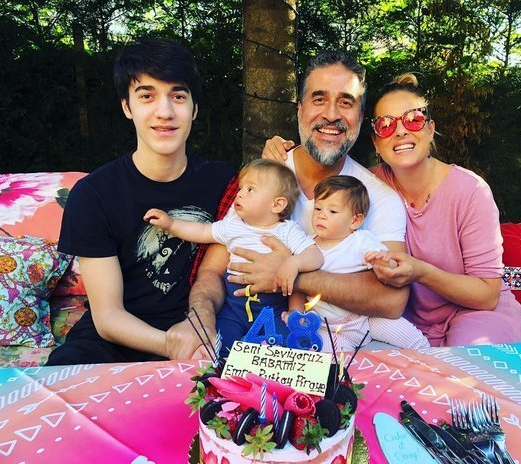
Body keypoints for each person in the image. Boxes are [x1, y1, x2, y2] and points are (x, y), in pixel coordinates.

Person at [170, 51, 410, 359]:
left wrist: (290, 275)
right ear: (300, 108)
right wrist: (201, 318)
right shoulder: (265, 178)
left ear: (361, 116)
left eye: (346, 102)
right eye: (319, 99)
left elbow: (392, 301)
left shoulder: (379, 198)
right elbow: (212, 272)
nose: (331, 114)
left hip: (338, 342)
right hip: (252, 332)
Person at [46, 39, 235, 365]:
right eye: (147, 96)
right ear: (127, 106)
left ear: (194, 108)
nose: (165, 112)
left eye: (178, 96)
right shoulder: (93, 194)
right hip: (116, 340)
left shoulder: (226, 183)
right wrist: (174, 346)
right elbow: (108, 316)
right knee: (59, 380)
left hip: (204, 331)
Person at [364, 73, 521, 346]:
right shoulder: (367, 184)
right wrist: (287, 156)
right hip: (403, 324)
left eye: (413, 119)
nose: (400, 131)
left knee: (466, 366)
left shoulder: (470, 190)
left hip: (477, 313)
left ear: (430, 129)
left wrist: (420, 272)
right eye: (386, 124)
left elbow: (487, 294)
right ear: (376, 142)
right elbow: (318, 185)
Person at [143, 158, 323, 353]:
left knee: (285, 348)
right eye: (240, 188)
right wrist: (171, 224)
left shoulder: (287, 231)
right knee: (218, 346)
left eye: (250, 189)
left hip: (272, 309)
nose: (240, 194)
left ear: (277, 204)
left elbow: (315, 256)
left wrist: (294, 263)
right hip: (233, 308)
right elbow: (202, 231)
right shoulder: (233, 225)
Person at [307, 175, 430, 351]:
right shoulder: (307, 245)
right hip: (326, 327)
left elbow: (390, 266)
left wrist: (383, 263)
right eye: (318, 208)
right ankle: (350, 368)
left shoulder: (360, 240)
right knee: (330, 353)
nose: (321, 215)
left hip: (366, 319)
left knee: (407, 335)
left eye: (332, 211)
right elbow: (297, 285)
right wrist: (295, 313)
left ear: (355, 221)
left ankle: (430, 356)